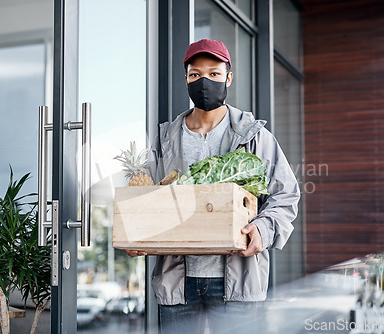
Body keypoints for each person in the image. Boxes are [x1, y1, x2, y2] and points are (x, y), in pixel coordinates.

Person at [124, 39, 300, 334]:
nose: (204, 81)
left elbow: (286, 194)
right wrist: (134, 234)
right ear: (186, 80)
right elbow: (145, 199)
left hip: (238, 279)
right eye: (195, 75)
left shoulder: (254, 135)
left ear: (228, 78)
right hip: (177, 281)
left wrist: (263, 229)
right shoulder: (165, 139)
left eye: (214, 74)